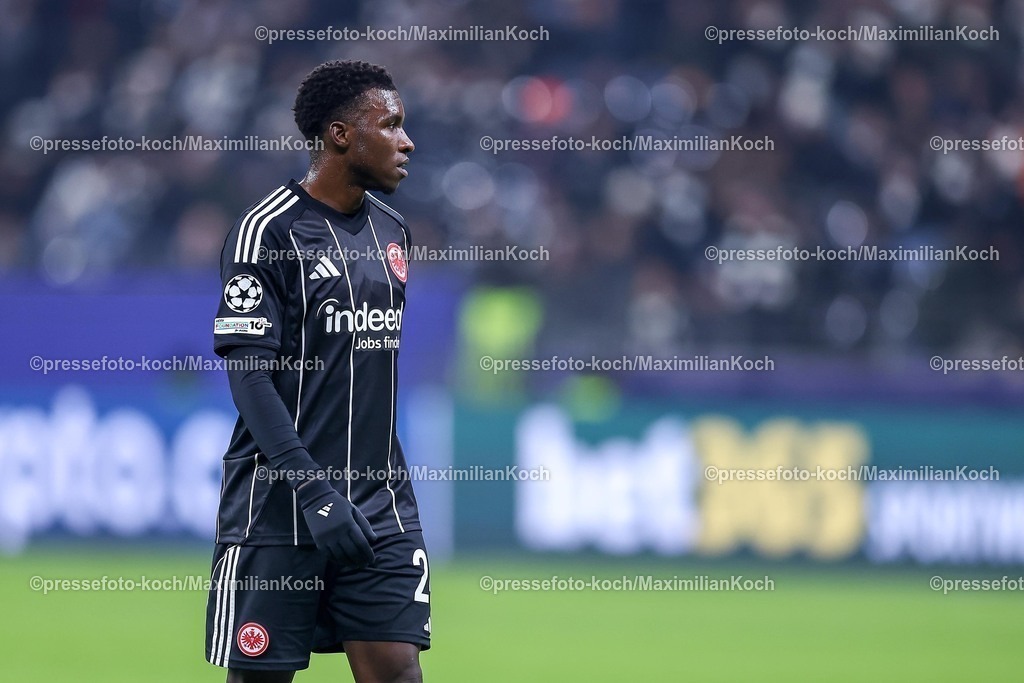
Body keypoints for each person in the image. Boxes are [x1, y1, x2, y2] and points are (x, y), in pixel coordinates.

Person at [205, 59, 428, 683]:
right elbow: (250, 378)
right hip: (280, 507)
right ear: (340, 134)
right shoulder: (266, 233)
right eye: (391, 125)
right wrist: (312, 491)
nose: (407, 141)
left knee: (397, 670)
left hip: (380, 504)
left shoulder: (393, 232)